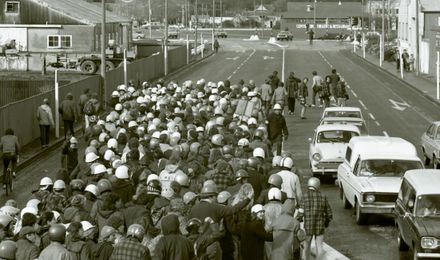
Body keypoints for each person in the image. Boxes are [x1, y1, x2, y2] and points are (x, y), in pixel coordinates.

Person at [299, 177, 333, 260]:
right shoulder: (322, 196)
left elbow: (300, 213)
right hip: (320, 226)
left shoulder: (304, 196)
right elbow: (329, 213)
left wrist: (299, 220)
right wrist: (327, 222)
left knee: (306, 246)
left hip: (308, 226)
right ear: (317, 185)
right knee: (319, 246)